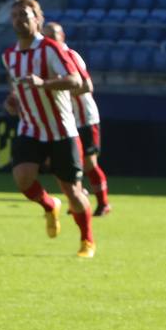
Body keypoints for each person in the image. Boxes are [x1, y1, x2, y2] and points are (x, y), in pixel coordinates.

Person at [0, 0, 95, 257]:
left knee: (73, 192)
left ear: (38, 19)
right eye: (16, 15)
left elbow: (76, 81)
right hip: (30, 127)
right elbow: (15, 87)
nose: (20, 19)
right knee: (22, 178)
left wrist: (43, 83)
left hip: (61, 130)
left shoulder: (51, 49)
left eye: (26, 14)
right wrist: (13, 101)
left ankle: (87, 240)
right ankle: (49, 204)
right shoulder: (9, 55)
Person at [43, 21, 111, 216]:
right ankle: (79, 199)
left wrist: (60, 88)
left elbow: (87, 86)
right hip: (66, 120)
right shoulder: (46, 57)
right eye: (47, 35)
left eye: (54, 34)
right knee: (67, 163)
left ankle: (103, 203)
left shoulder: (70, 56)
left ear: (62, 36)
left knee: (89, 164)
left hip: (84, 117)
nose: (51, 38)